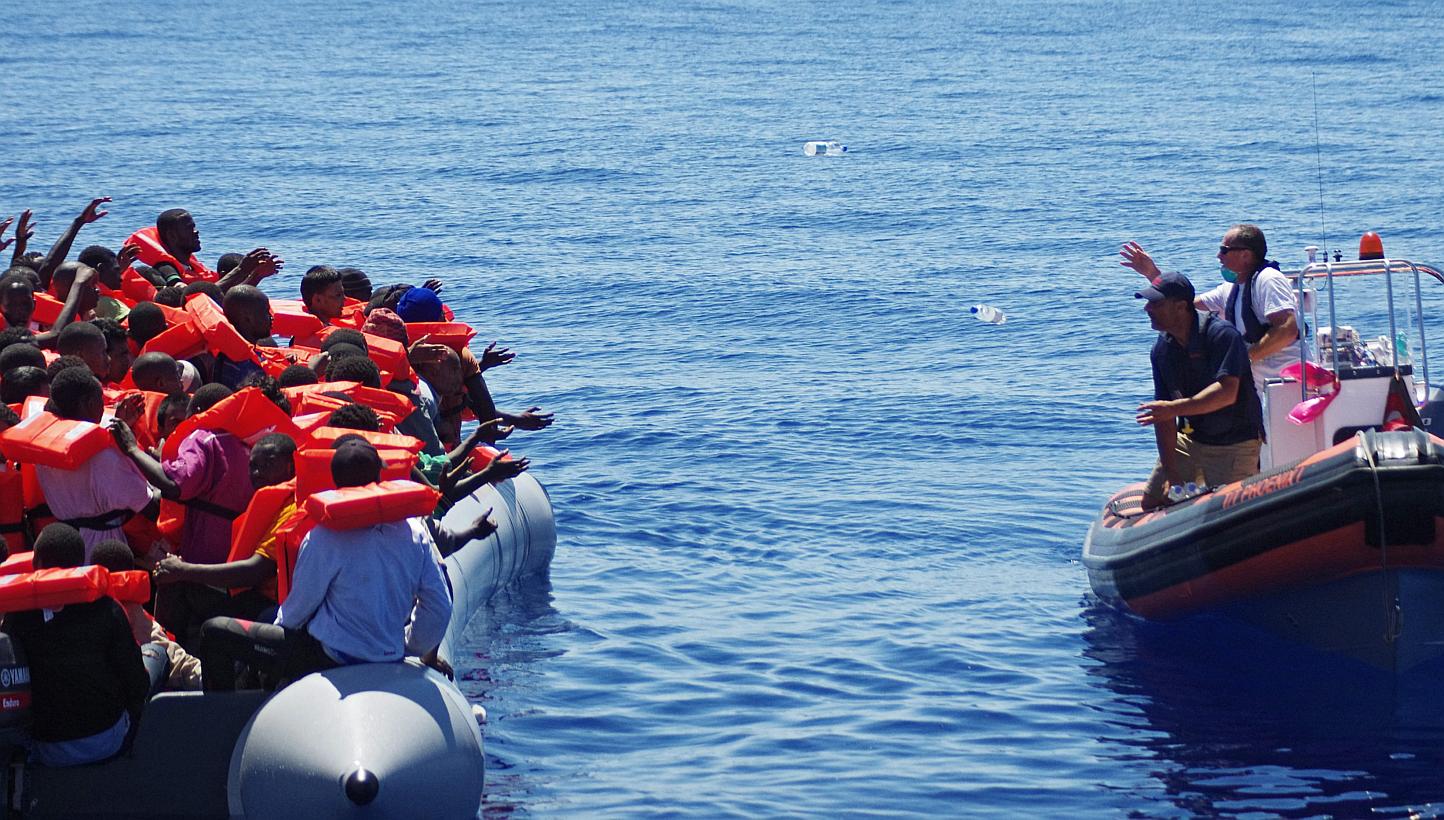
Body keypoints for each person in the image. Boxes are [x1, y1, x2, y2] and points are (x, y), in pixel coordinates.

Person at [198, 440, 454, 690]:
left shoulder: (323, 535)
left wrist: (273, 650)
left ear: (335, 482)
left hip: (329, 658)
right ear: (379, 478)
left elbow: (296, 613)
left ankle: (227, 716)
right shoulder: (415, 531)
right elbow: (439, 606)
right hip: (390, 655)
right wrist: (412, 647)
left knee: (215, 631)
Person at [2, 524, 150, 766]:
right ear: (81, 563)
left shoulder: (16, 618)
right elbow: (138, 684)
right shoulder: (108, 608)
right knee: (156, 655)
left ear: (35, 564)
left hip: (43, 747)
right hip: (105, 741)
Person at [1121, 224, 1301, 397]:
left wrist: (1241, 359)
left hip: (1286, 385)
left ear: (1246, 255)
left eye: (1224, 250)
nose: (1219, 256)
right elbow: (1185, 306)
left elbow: (1287, 330)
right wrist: (1153, 274)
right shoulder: (1230, 289)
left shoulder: (1269, 280)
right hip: (1259, 388)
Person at [1134, 272, 1263, 510]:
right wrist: (1172, 474)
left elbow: (1227, 393)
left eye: (1156, 303)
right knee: (1151, 503)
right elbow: (1163, 417)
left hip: (1234, 443)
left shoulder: (1222, 335)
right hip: (1190, 440)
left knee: (1227, 511)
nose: (1147, 309)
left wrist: (1174, 408)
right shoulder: (1162, 349)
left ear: (1181, 307)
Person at [153, 434, 297, 623]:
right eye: (253, 466)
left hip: (276, 608)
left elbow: (255, 571)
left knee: (184, 588)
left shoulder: (293, 506)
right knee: (174, 582)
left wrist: (183, 569)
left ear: (291, 466)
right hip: (256, 596)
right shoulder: (268, 501)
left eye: (268, 465)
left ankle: (164, 647)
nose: (257, 473)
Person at [36, 368, 157, 559]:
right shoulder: (103, 458)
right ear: (89, 403)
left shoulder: (44, 445)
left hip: (61, 549)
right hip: (100, 552)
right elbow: (152, 507)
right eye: (101, 400)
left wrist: (117, 426)